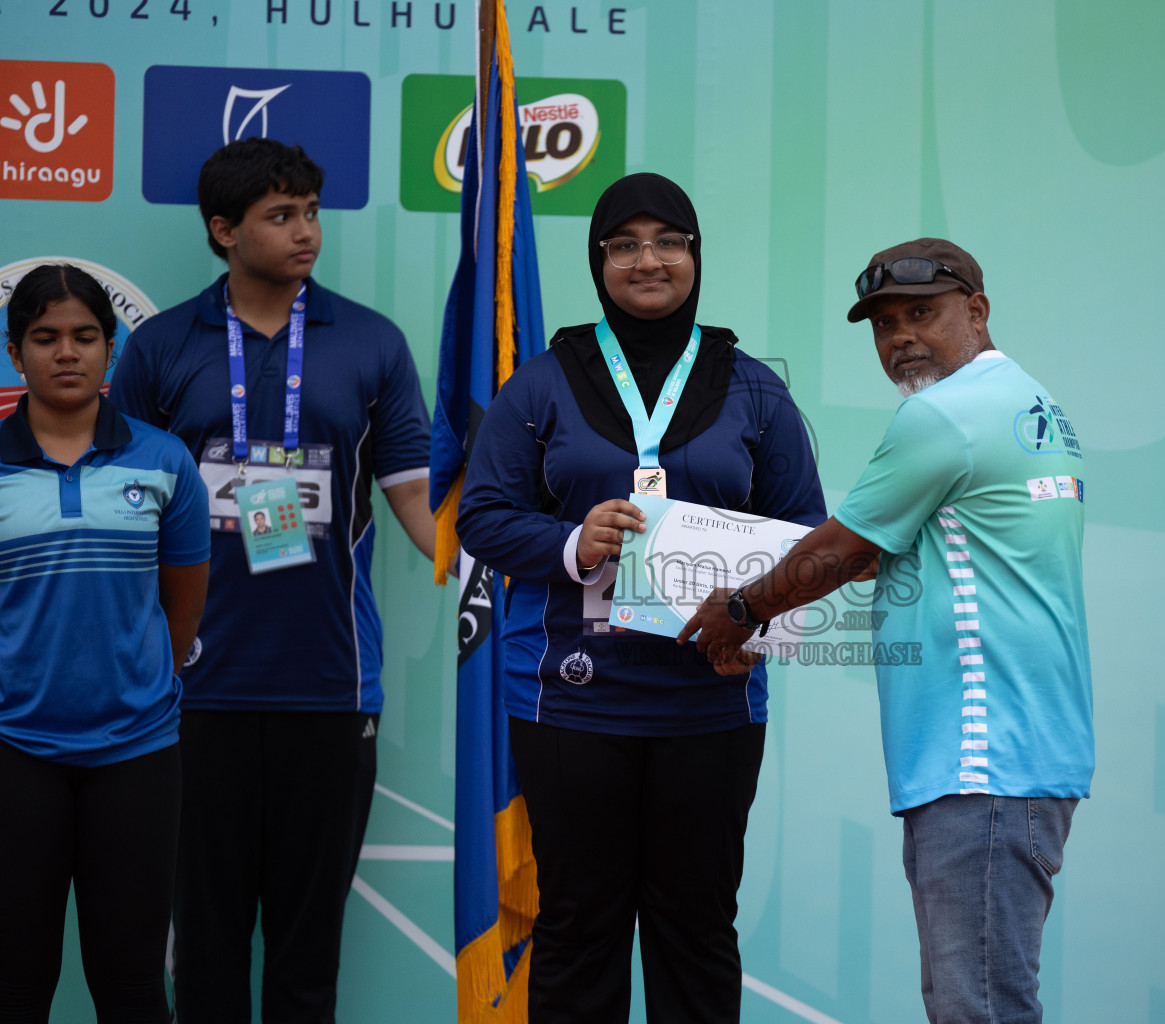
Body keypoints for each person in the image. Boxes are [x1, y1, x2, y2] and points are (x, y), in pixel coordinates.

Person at [682, 238, 1094, 1024]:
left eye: (921, 314)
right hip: (1023, 755)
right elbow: (943, 542)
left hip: (981, 760)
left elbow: (838, 549)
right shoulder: (1032, 403)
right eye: (882, 323)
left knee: (977, 1008)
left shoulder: (943, 415)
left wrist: (737, 613)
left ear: (976, 311)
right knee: (980, 1001)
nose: (900, 336)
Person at [456, 172, 825, 1024]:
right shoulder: (544, 384)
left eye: (669, 242)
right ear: (598, 260)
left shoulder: (755, 389)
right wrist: (568, 543)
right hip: (570, 700)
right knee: (579, 926)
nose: (647, 260)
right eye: (624, 244)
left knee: (696, 927)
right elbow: (482, 515)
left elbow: (808, 531)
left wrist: (755, 595)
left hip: (713, 702)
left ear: (696, 255)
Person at [110, 139, 437, 1024]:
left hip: (330, 688)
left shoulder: (371, 341)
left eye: (313, 212)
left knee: (306, 956)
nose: (307, 233)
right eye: (281, 216)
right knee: (205, 948)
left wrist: (506, 556)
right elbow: (124, 505)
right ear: (224, 230)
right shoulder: (158, 346)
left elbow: (415, 494)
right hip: (189, 691)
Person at [0, 265, 210, 1023]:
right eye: (45, 337)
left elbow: (181, 610)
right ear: (15, 351)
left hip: (137, 752)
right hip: (14, 751)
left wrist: (135, 678)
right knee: (15, 981)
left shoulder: (162, 461)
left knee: (129, 982)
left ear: (110, 349)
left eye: (85, 336)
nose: (67, 353)